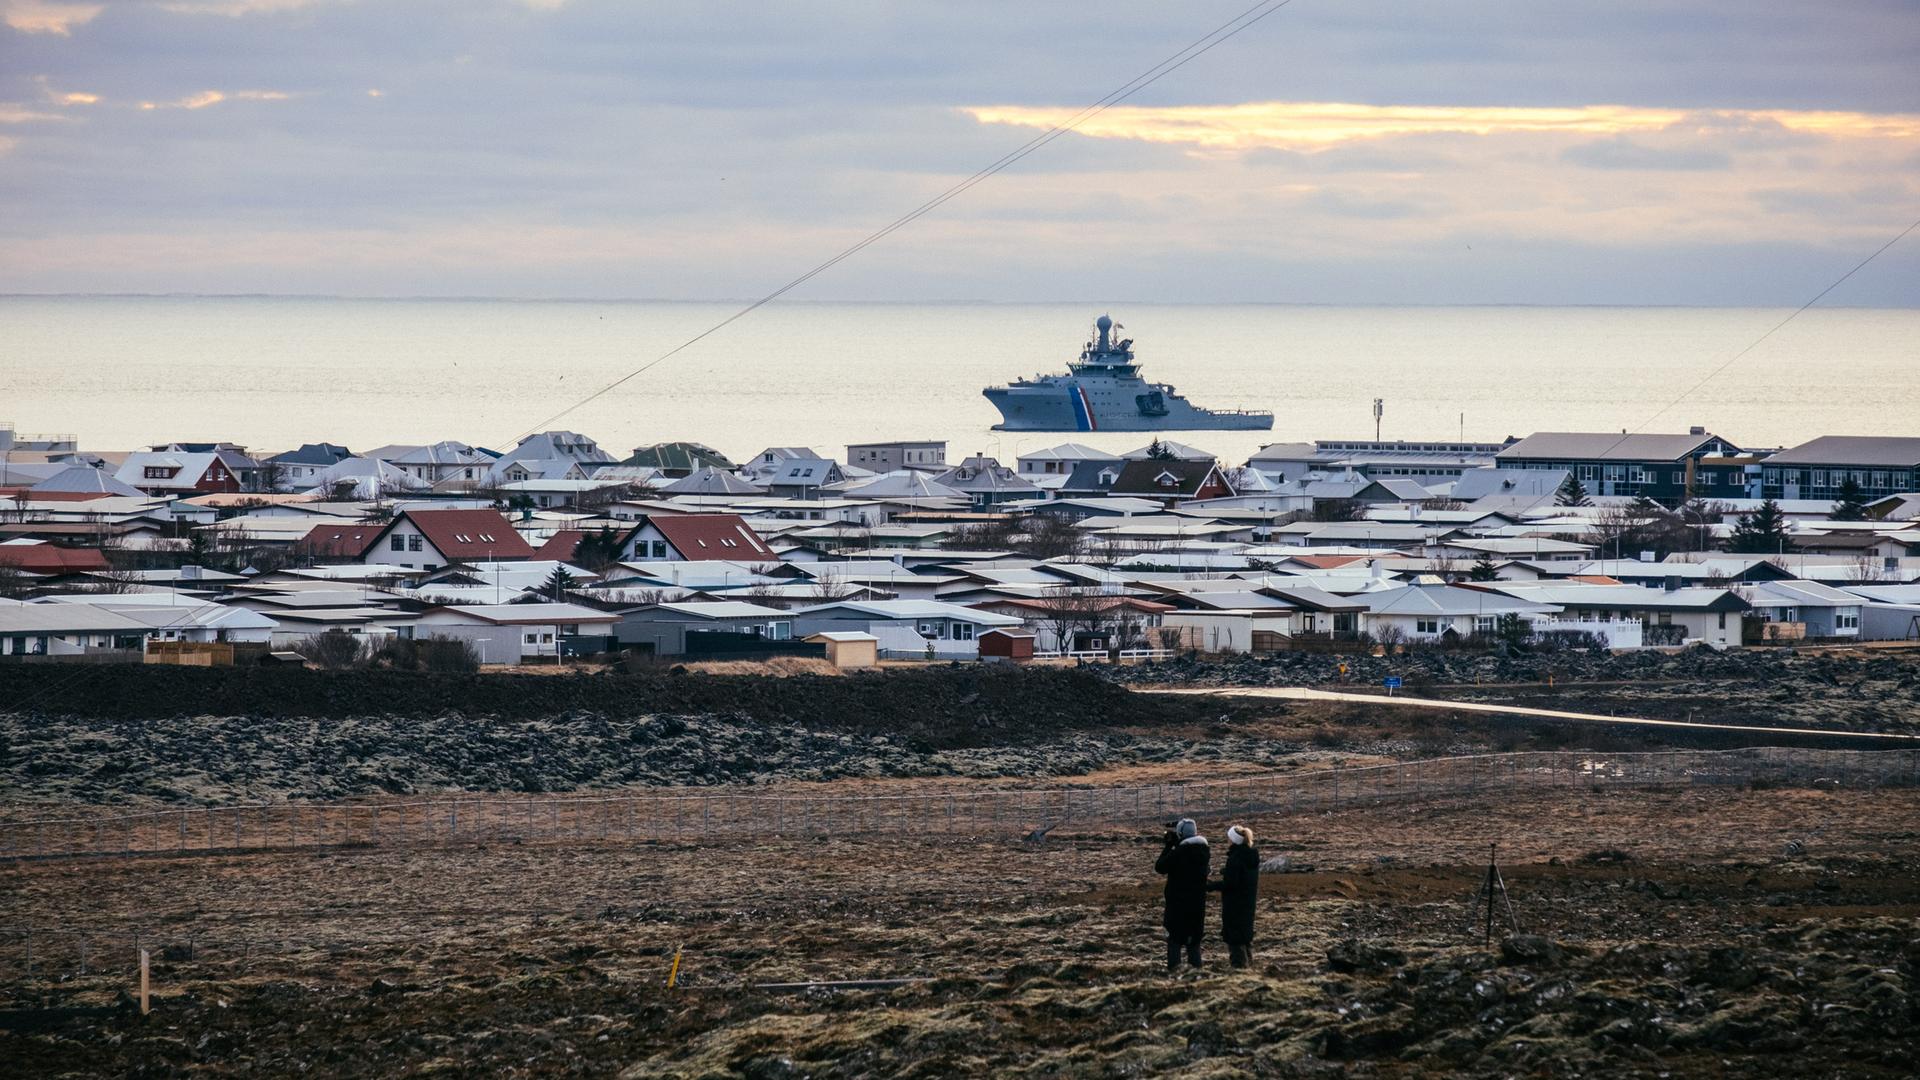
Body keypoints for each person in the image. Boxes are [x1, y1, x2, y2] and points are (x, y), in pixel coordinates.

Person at [1155, 817, 1211, 972]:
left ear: (1180, 834)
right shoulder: (1204, 851)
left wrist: (1169, 845)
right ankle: (1197, 976)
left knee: (1174, 942)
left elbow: (1160, 867)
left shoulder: (1180, 852)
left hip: (1177, 907)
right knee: (1194, 945)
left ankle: (1174, 975)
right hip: (1197, 906)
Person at [1210, 824, 1260, 969]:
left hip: (1235, 905)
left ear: (1233, 840)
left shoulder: (1235, 859)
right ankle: (1250, 968)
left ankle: (1239, 970)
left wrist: (1210, 886)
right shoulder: (1250, 857)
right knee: (1245, 939)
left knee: (1235, 940)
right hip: (1247, 903)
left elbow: (1230, 884)